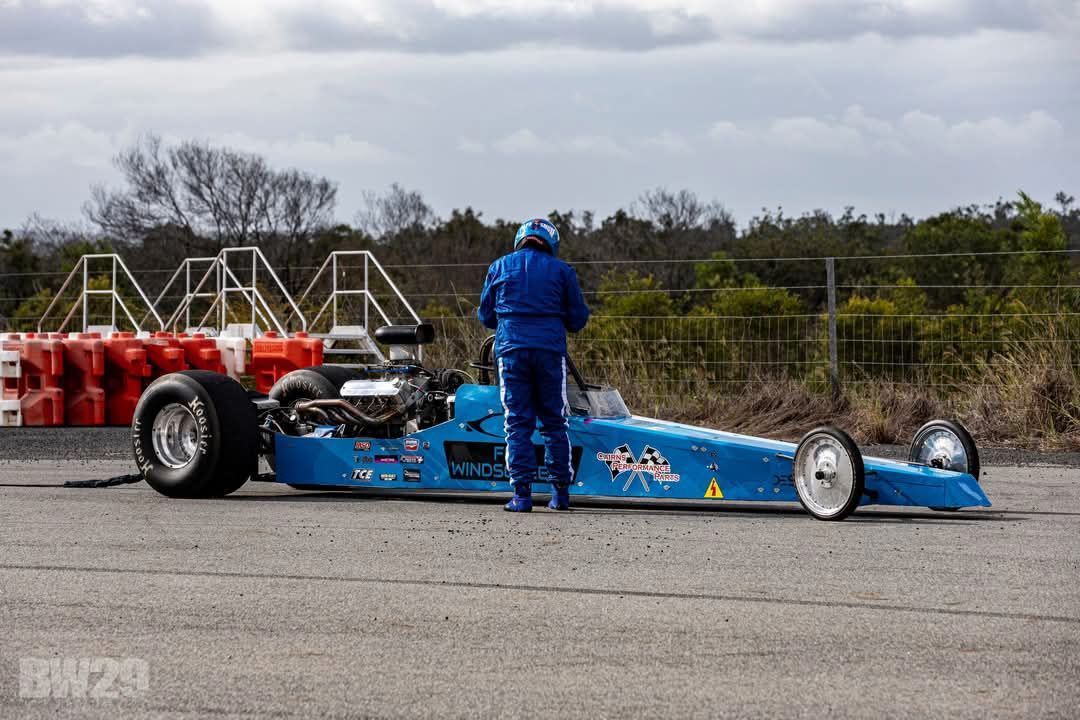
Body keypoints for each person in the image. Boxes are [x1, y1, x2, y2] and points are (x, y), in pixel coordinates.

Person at [478, 218, 590, 512]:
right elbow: (578, 319)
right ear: (550, 241)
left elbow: (486, 316)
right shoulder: (563, 271)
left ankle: (521, 497)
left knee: (517, 423)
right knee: (555, 422)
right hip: (550, 354)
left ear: (521, 239)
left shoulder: (499, 266)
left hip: (512, 352)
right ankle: (560, 496)